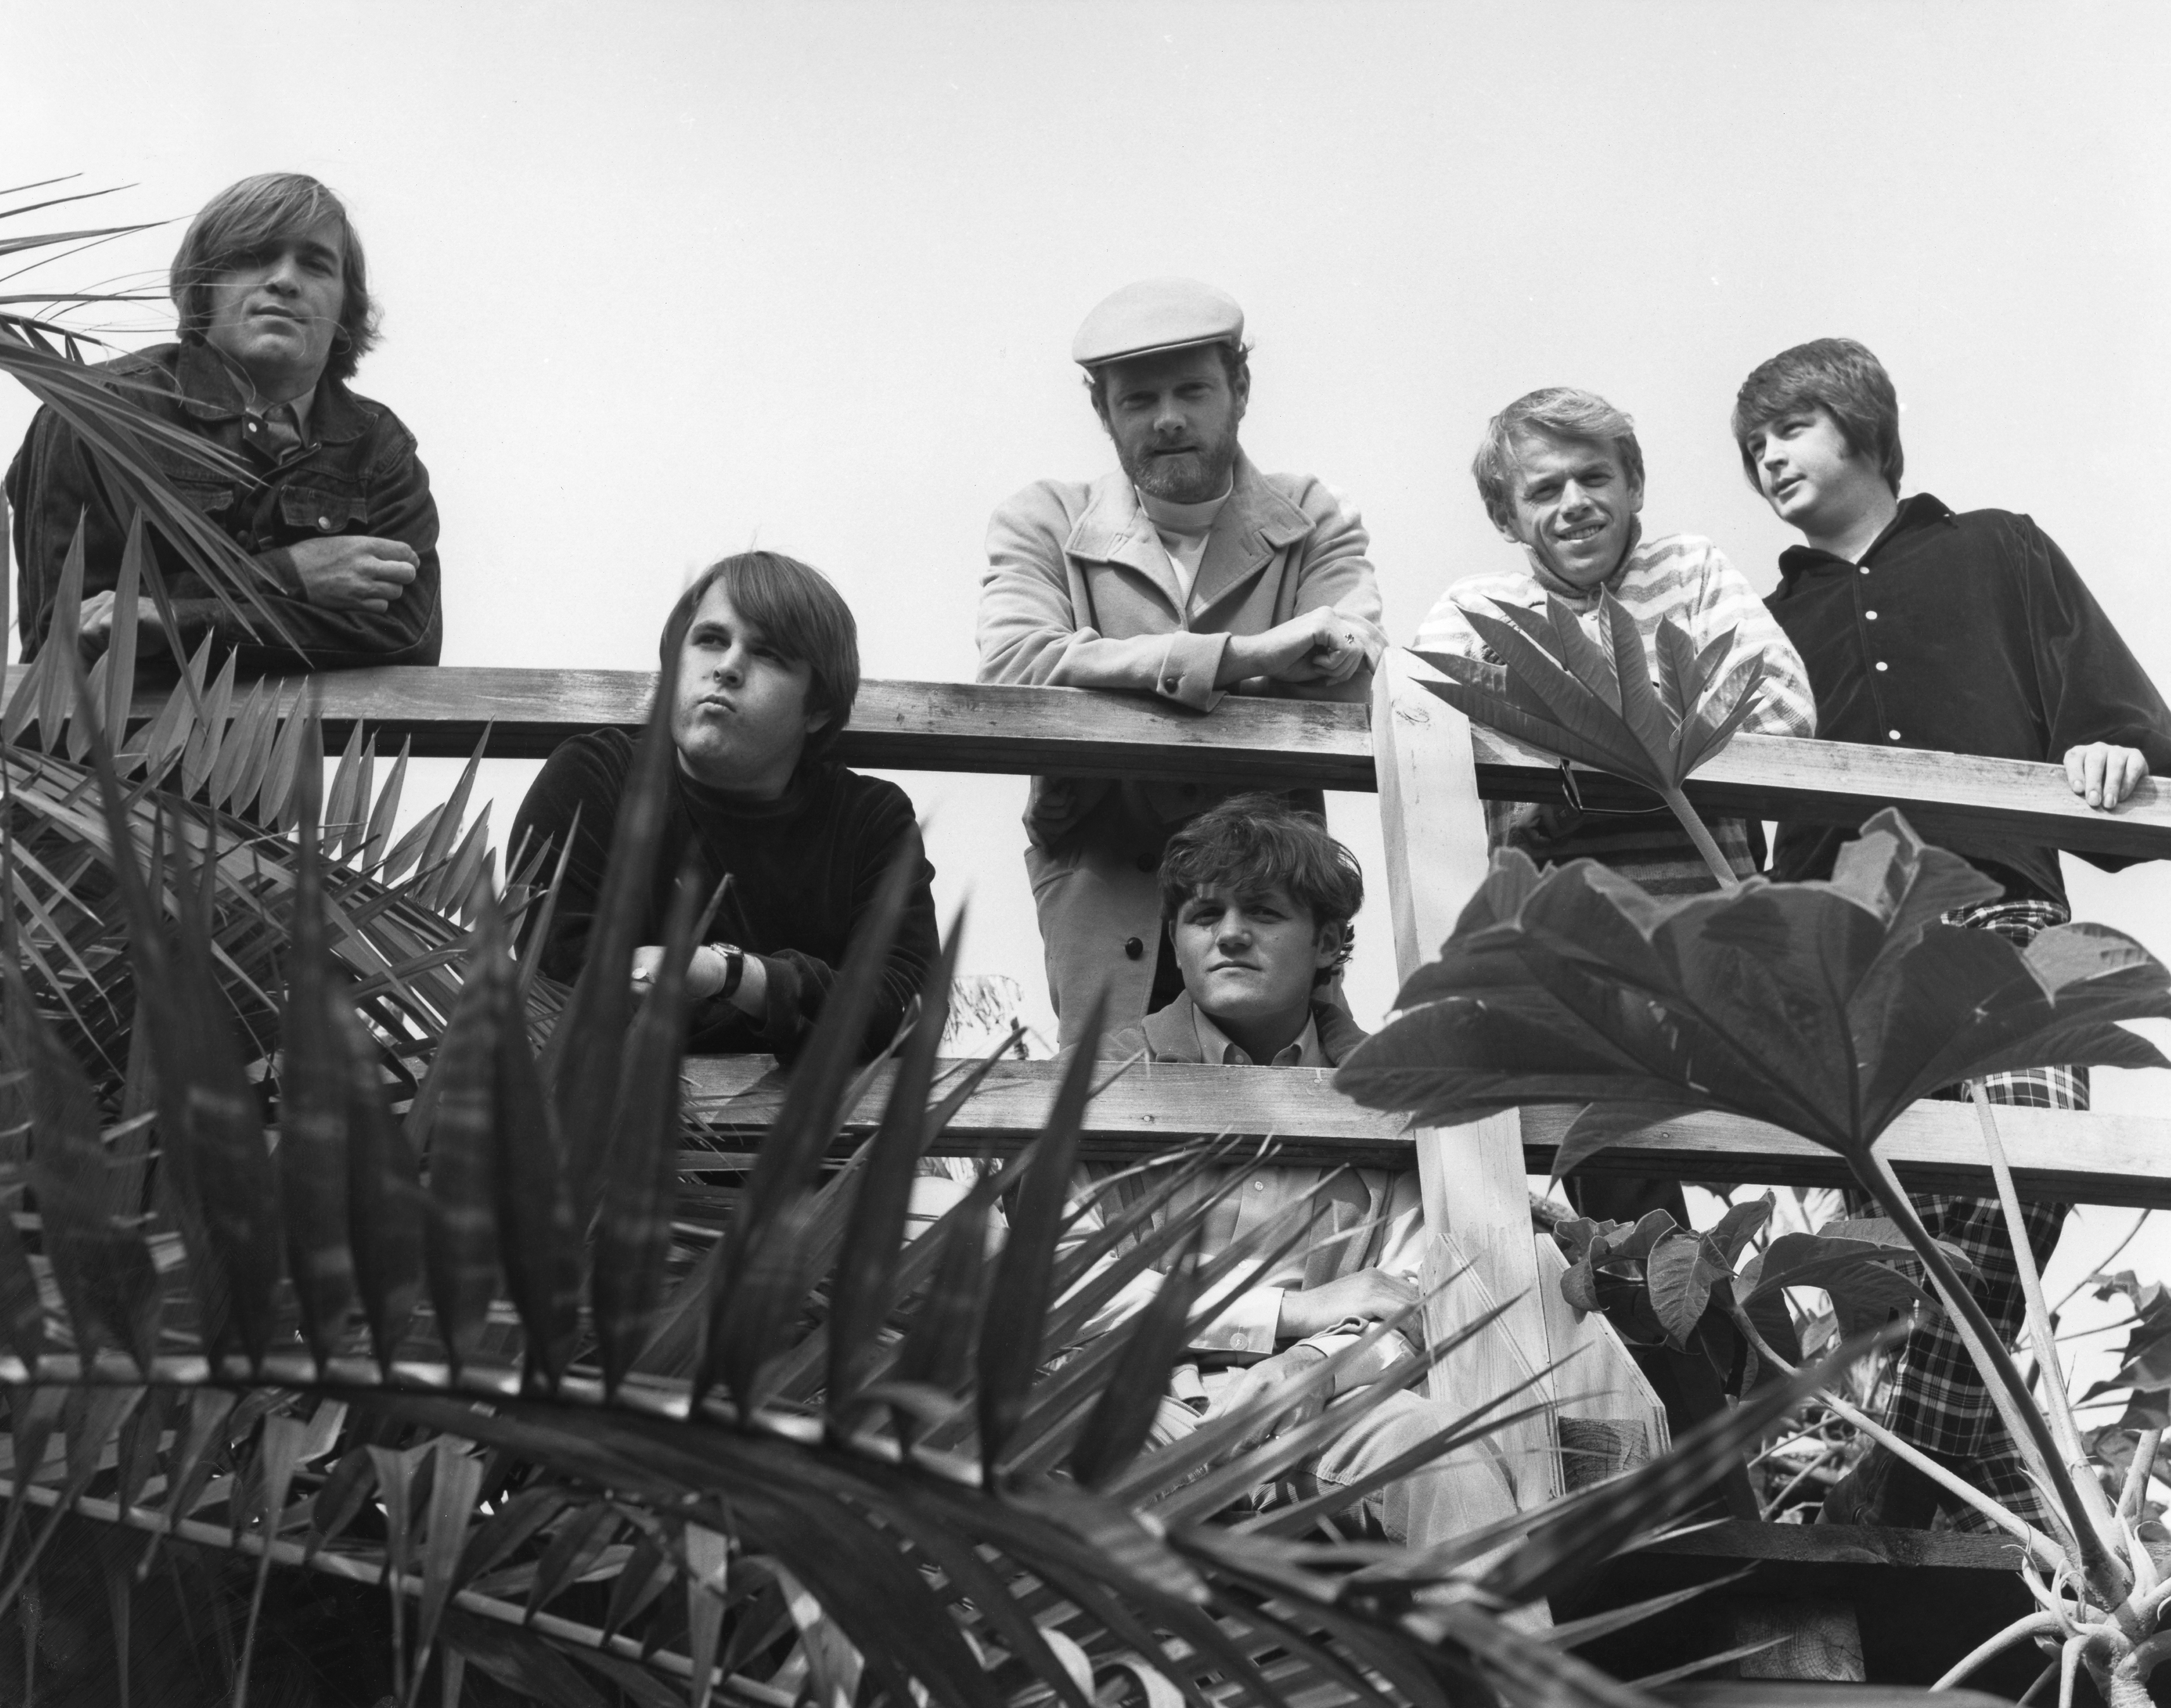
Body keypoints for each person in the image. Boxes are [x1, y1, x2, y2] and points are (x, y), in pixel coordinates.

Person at [1734, 337, 2171, 1529]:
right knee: (1885, 1224)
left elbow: (2124, 722)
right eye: (1752, 443)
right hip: (1848, 957)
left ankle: (1879, 1468)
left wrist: (2110, 747)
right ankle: (1944, 1478)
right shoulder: (1760, 621)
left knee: (2013, 1181)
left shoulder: (1997, 549)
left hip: (2005, 917)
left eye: (1791, 426)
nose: (1767, 454)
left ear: (1865, 429)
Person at [1062, 796, 1515, 1541]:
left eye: (1264, 914)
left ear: (1329, 943)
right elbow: (1069, 1286)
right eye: (1204, 917)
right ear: (1174, 945)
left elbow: (1408, 1294)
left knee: (1447, 1461)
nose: (1230, 935)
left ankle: (1510, 1663)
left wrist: (1309, 1367)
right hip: (1128, 1401)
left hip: (1331, 1402)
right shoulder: (1105, 1078)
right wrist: (1285, 1315)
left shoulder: (1391, 1090)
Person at [976, 279, 1384, 1044]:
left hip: (1272, 916)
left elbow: (1351, 676)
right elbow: (1015, 668)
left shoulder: (1311, 515)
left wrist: (1103, 668)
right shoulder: (1042, 518)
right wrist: (1253, 657)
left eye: (1191, 390)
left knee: (1300, 1129)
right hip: (1109, 911)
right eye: (1136, 401)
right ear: (1101, 411)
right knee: (1109, 1133)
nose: (1167, 420)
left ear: (1239, 387)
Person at [511, 551, 938, 1061]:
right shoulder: (594, 779)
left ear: (818, 708)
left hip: (815, 1139)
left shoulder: (871, 819)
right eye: (711, 640)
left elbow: (907, 1010)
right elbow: (564, 989)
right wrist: (787, 1012)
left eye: (769, 654)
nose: (728, 667)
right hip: (611, 1133)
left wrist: (721, 973)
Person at [6, 171, 440, 672]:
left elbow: (406, 642)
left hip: (294, 751)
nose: (284, 280)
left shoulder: (378, 447)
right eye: (254, 255)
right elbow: (69, 636)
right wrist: (289, 577)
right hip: (113, 750)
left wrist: (170, 618)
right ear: (203, 285)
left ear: (347, 307)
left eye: (316, 264)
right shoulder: (101, 411)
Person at [1414, 387, 1817, 896]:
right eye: (1544, 490)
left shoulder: (1689, 567)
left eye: (1594, 477)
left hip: (1710, 925)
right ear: (1504, 518)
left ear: (1634, 486)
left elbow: (1784, 711)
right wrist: (1665, 711)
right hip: (1548, 936)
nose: (1575, 502)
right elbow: (1426, 734)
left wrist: (1574, 762)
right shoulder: (1474, 606)